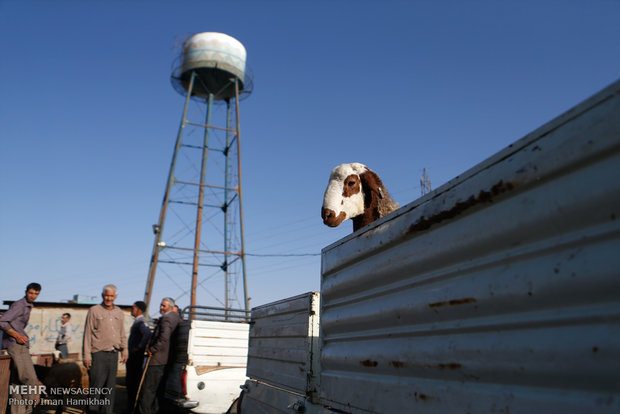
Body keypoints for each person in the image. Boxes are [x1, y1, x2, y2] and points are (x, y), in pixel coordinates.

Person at [83, 284, 128, 414]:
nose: (109, 298)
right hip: (98, 354)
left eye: (111, 296)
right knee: (96, 386)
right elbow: (87, 334)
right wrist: (87, 355)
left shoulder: (119, 312)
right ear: (103, 295)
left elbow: (122, 332)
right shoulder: (94, 310)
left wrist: (125, 350)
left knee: (109, 388)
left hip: (113, 354)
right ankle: (92, 411)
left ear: (116, 297)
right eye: (107, 295)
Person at [0, 282, 42, 414]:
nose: (33, 296)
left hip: (18, 344)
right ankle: (30, 409)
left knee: (17, 383)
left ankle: (18, 412)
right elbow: (2, 321)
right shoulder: (20, 305)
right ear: (26, 291)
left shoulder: (28, 306)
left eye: (36, 294)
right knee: (30, 379)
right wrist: (17, 335)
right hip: (16, 345)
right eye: (31, 293)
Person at [138, 297, 180, 414]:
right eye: (161, 305)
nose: (161, 308)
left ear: (171, 307)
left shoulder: (166, 319)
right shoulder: (176, 317)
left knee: (148, 390)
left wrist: (153, 349)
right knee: (157, 389)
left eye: (163, 306)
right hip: (166, 359)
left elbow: (164, 338)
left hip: (157, 359)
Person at [126, 301, 151, 411]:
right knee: (130, 382)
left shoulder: (141, 322)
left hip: (136, 357)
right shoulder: (137, 321)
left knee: (133, 382)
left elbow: (147, 334)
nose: (132, 310)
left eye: (133, 308)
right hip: (133, 356)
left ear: (138, 309)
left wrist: (139, 347)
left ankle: (132, 407)